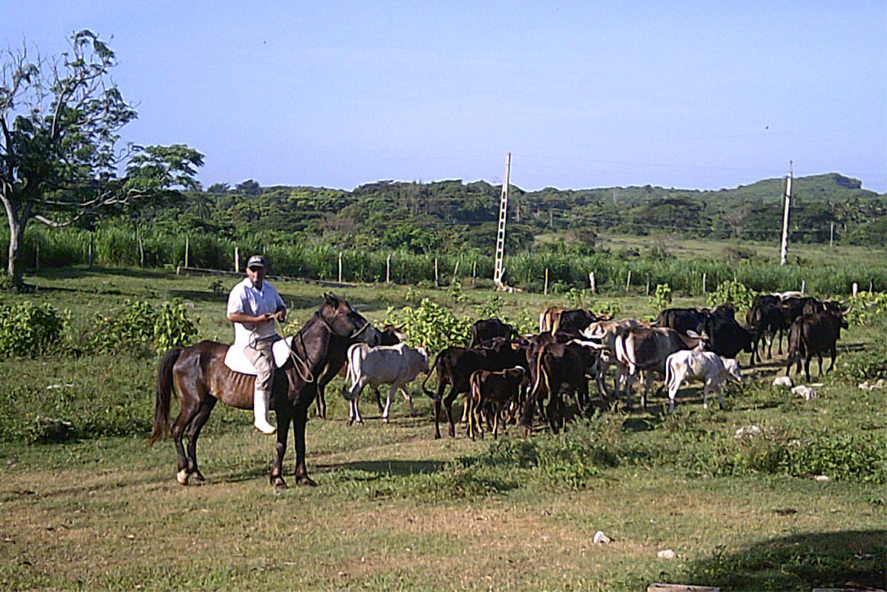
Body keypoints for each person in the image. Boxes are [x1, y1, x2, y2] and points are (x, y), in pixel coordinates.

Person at [227, 255, 287, 434]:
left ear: (265, 270)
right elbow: (232, 315)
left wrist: (281, 313)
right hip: (250, 340)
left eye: (259, 269)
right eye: (253, 269)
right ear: (247, 271)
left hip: (271, 335)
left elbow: (281, 305)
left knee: (291, 358)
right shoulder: (240, 290)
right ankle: (260, 417)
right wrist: (256, 320)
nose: (256, 273)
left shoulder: (269, 288)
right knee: (265, 369)